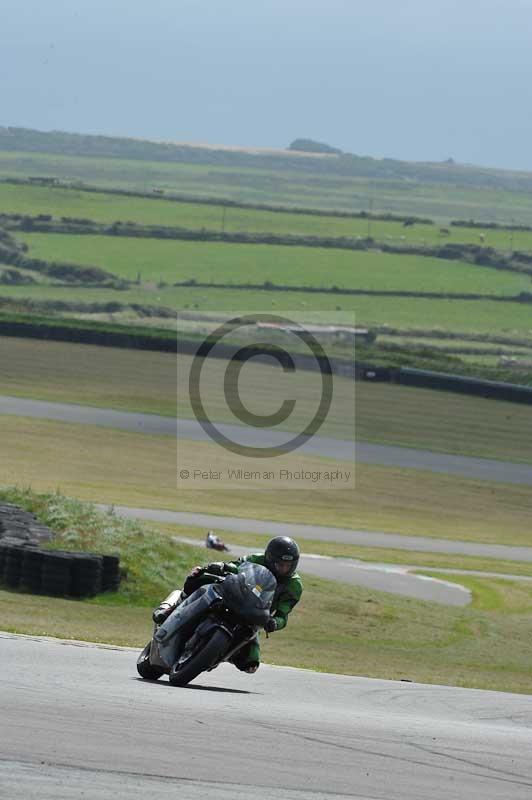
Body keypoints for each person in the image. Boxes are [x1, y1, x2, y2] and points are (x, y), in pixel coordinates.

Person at [152, 535, 303, 673]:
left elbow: (283, 615)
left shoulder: (294, 585)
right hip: (235, 595)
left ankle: (220, 654)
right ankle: (173, 607)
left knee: (251, 664)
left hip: (255, 615)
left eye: (287, 565)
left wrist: (274, 623)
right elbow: (236, 566)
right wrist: (224, 567)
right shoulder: (256, 559)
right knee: (199, 576)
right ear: (270, 559)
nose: (283, 568)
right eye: (279, 564)